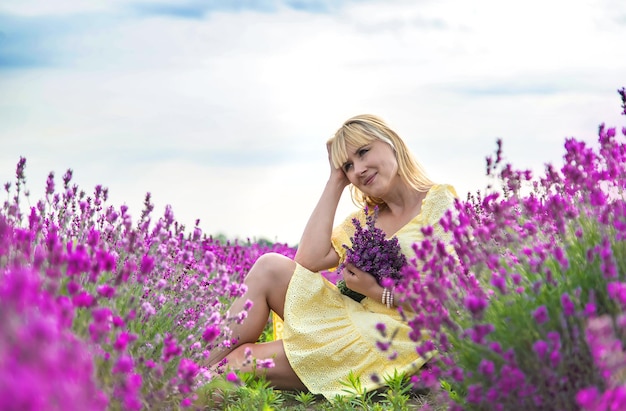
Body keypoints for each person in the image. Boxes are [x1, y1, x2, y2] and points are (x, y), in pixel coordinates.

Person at [206, 114, 457, 398]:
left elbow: (449, 296)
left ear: (392, 144)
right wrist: (335, 182)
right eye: (349, 165)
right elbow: (307, 262)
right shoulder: (365, 222)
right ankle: (193, 374)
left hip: (398, 340)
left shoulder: (438, 203)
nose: (359, 169)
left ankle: (185, 383)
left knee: (236, 364)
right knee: (269, 266)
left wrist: (376, 291)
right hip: (357, 323)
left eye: (363, 152)